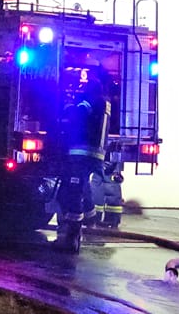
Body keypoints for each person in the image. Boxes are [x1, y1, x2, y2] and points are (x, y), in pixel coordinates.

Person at [53, 72, 110, 252]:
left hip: (82, 153)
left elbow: (76, 115)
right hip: (94, 155)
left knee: (74, 191)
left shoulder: (89, 102)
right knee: (82, 186)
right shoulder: (105, 103)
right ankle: (91, 217)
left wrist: (68, 103)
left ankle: (72, 238)